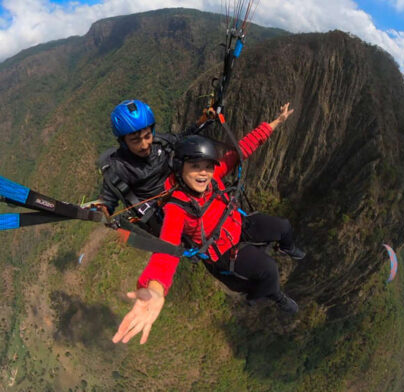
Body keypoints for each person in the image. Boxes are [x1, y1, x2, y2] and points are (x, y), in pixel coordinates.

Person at [112, 103, 305, 345]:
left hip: (238, 223)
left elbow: (242, 148)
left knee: (283, 227)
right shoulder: (176, 205)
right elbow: (167, 250)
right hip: (222, 251)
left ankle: (286, 248)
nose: (203, 174)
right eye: (195, 167)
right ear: (181, 168)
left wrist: (276, 122)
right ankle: (271, 296)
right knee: (269, 271)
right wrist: (154, 289)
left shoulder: (213, 176)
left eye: (207, 167)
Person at [97, 99, 177, 234]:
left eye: (147, 136)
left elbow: (184, 140)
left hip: (183, 203)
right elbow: (107, 200)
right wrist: (101, 210)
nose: (144, 145)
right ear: (123, 142)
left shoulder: (162, 143)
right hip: (158, 221)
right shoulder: (118, 167)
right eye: (135, 141)